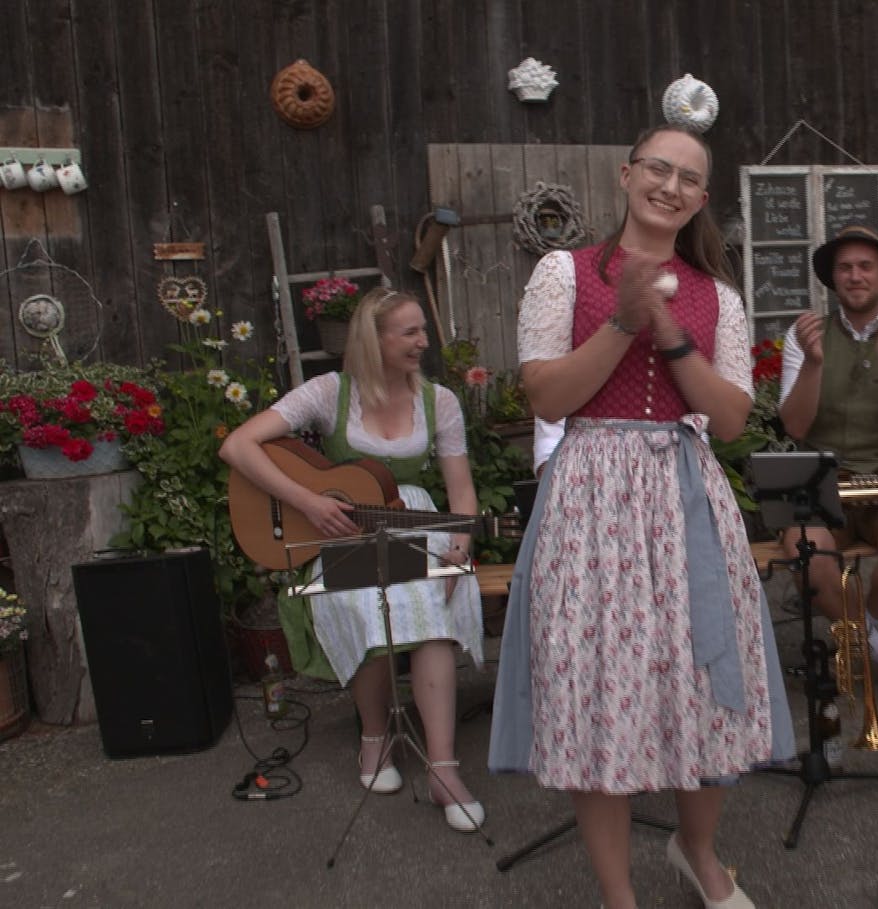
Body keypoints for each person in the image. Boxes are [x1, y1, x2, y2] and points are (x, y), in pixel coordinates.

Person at [488, 123, 791, 909]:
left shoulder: (716, 296)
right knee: (597, 686)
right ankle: (619, 895)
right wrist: (622, 320)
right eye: (658, 168)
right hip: (591, 495)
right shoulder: (567, 273)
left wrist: (670, 331)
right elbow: (548, 397)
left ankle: (699, 853)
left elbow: (728, 421)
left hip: (687, 493)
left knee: (702, 679)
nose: (671, 185)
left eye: (689, 178)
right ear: (625, 176)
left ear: (701, 199)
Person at [220, 288, 486, 832]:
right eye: (409, 332)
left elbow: (461, 490)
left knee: (434, 608)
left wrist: (460, 543)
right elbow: (239, 447)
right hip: (340, 529)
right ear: (375, 339)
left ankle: (443, 767)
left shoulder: (439, 401)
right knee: (367, 608)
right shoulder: (328, 392)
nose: (422, 341)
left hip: (416, 520)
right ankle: (374, 738)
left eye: (421, 331)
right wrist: (309, 501)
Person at [776, 224, 878, 690]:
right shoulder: (805, 334)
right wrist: (814, 363)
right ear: (832, 279)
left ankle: (852, 629)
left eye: (866, 266)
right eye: (844, 267)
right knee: (808, 551)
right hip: (819, 477)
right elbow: (795, 427)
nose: (855, 275)